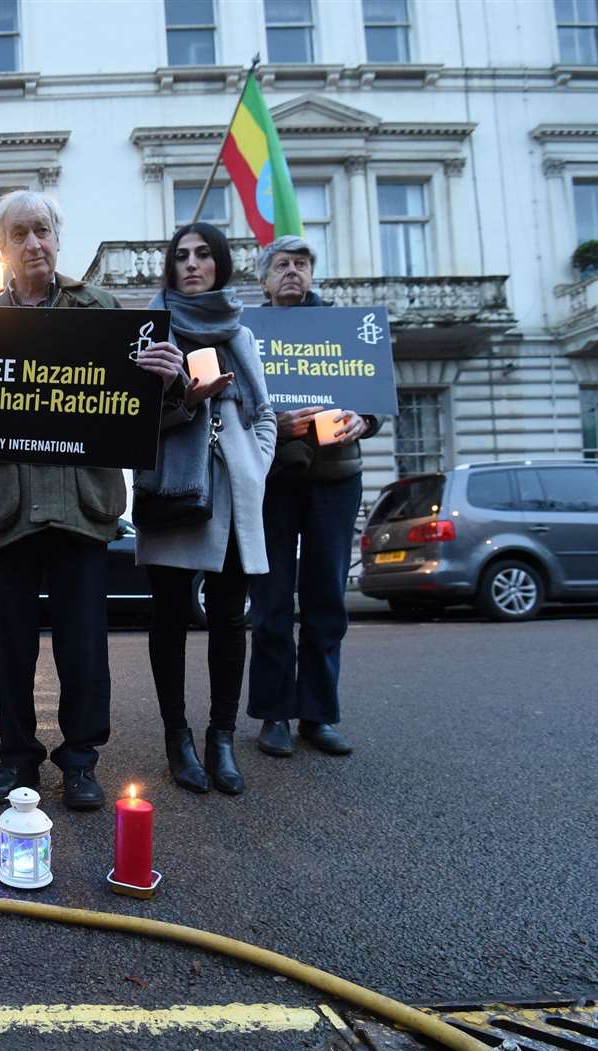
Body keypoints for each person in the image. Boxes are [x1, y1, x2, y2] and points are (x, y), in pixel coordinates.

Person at [0, 191, 125, 811]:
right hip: (6, 508)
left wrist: (167, 381)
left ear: (57, 236)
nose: (33, 244)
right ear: (0, 248)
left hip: (81, 504)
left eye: (41, 230)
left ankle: (80, 761)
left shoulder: (100, 310)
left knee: (83, 647)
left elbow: (139, 412)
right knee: (11, 649)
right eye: (18, 234)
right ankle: (17, 760)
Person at [134, 222, 276, 796]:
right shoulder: (151, 331)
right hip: (174, 488)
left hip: (235, 493)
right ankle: (178, 736)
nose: (191, 265)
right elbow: (130, 422)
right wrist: (180, 400)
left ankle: (221, 735)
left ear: (220, 264)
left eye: (203, 255)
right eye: (181, 256)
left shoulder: (240, 334)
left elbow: (264, 414)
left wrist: (254, 465)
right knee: (169, 617)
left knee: (228, 617)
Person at [248, 235, 380, 759]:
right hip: (274, 480)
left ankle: (318, 715)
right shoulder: (249, 333)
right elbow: (238, 404)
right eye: (282, 265)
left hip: (335, 479)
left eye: (301, 264)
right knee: (272, 600)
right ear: (264, 278)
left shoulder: (343, 329)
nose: (292, 272)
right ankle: (274, 715)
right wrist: (270, 422)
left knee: (327, 598)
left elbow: (373, 397)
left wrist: (364, 419)